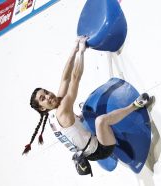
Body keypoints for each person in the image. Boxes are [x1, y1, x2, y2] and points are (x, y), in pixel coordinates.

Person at [22, 36, 154, 173]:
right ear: (42, 108)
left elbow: (65, 78)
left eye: (47, 92)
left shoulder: (53, 114)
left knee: (84, 111)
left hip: (85, 145)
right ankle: (136, 105)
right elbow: (75, 78)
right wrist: (81, 52)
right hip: (100, 150)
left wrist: (74, 49)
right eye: (43, 98)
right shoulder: (62, 110)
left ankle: (81, 118)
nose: (49, 96)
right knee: (100, 121)